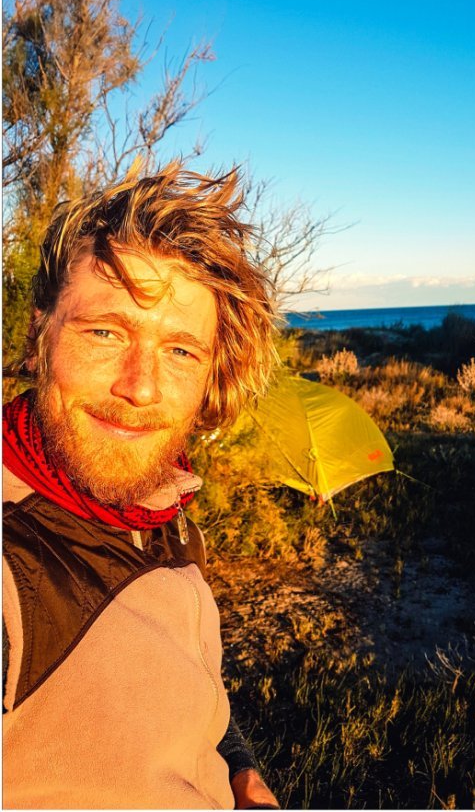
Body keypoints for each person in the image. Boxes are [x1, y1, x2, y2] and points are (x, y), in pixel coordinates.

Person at [2, 161, 281, 809]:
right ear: (39, 335)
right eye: (105, 332)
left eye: (180, 350)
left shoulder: (166, 508)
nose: (142, 387)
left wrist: (238, 765)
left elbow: (187, 677)